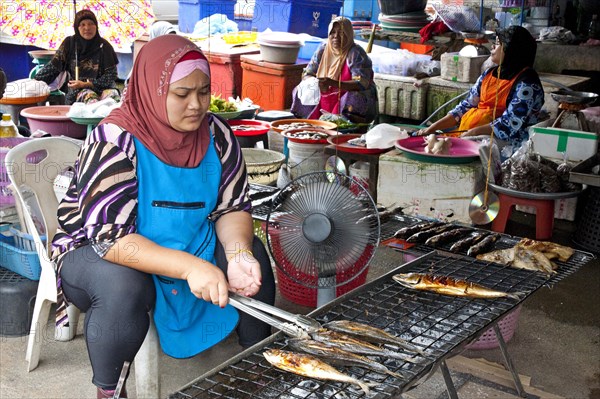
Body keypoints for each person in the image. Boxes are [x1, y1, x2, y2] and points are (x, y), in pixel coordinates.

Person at [50, 35, 275, 398]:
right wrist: (189, 267)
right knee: (123, 286)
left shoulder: (216, 134)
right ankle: (109, 390)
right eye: (182, 94)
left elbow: (232, 207)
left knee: (254, 262)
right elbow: (110, 240)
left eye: (204, 92)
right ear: (152, 90)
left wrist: (237, 253)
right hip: (97, 250)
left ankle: (255, 369)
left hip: (187, 239)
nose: (197, 105)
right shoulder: (114, 139)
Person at [418, 26, 544, 152]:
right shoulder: (489, 73)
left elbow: (510, 124)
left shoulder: (527, 83)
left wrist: (472, 133)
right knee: (429, 143)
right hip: (470, 134)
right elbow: (465, 107)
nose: (492, 47)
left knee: (444, 150)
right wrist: (431, 129)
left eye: (498, 43)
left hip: (506, 144)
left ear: (511, 49)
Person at [290, 16, 378, 123]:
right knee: (300, 90)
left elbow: (361, 83)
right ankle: (307, 122)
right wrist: (313, 82)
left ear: (349, 34)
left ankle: (348, 126)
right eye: (332, 32)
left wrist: (333, 83)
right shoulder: (323, 49)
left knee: (355, 98)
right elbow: (308, 73)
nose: (336, 37)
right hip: (326, 91)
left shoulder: (355, 53)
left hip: (347, 92)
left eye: (341, 33)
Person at [34, 9, 120, 104]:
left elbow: (111, 75)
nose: (87, 28)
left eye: (91, 23)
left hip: (104, 88)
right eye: (82, 24)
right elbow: (53, 68)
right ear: (77, 27)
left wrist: (88, 84)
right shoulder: (70, 43)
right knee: (90, 98)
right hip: (78, 91)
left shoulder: (104, 46)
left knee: (113, 100)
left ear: (96, 26)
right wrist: (34, 81)